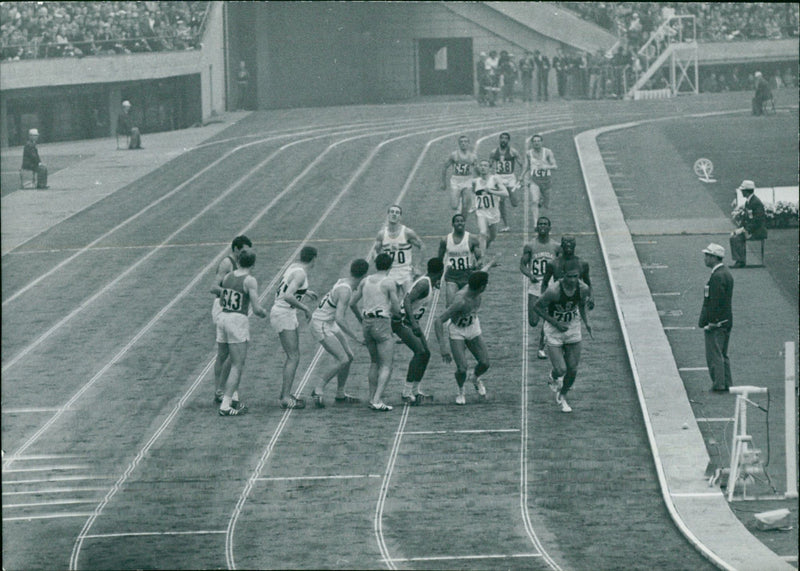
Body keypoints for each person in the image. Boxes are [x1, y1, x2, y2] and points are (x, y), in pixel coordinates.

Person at [533, 260, 592, 413]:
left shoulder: (583, 288)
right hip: (554, 329)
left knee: (572, 369)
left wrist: (587, 323)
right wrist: (555, 323)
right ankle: (553, 376)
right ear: (563, 276)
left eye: (576, 277)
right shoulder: (554, 290)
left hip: (572, 326)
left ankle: (563, 394)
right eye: (570, 277)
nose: (573, 280)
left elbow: (581, 305)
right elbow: (537, 307)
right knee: (560, 369)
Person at [309, 259, 369, 408]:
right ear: (364, 275)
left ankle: (340, 394)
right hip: (321, 324)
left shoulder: (345, 281)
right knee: (342, 359)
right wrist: (356, 337)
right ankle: (318, 389)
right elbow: (340, 318)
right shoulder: (345, 290)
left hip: (328, 322)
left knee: (349, 357)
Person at [214, 249, 267, 416]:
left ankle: (227, 393)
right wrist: (264, 313)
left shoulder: (228, 276)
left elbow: (222, 297)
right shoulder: (250, 280)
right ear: (253, 264)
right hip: (237, 320)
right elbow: (256, 308)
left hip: (223, 317)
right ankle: (226, 404)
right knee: (237, 364)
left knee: (224, 358)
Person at [350, 253, 402, 411]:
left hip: (367, 323)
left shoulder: (365, 281)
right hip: (382, 323)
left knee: (374, 362)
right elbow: (396, 308)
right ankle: (377, 399)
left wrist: (361, 320)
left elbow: (352, 303)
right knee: (387, 365)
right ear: (390, 266)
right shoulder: (388, 282)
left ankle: (372, 397)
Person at [270, 246, 318, 409]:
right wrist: (305, 308)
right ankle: (284, 397)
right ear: (313, 259)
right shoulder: (301, 273)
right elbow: (288, 295)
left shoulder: (294, 267)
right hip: (283, 313)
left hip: (285, 313)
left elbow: (287, 286)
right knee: (293, 356)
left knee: (294, 355)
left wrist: (306, 292)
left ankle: (286, 393)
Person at [433, 270, 492, 405]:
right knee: (462, 368)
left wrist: (491, 264)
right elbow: (438, 321)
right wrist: (443, 346)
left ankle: (475, 378)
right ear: (481, 287)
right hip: (458, 330)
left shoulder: (474, 289)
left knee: (485, 363)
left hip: (472, 326)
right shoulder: (460, 301)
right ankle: (460, 390)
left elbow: (481, 271)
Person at [394, 257, 444, 405]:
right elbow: (407, 300)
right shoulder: (424, 284)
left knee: (426, 354)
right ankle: (406, 392)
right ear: (440, 272)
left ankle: (415, 390)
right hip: (402, 321)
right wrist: (414, 323)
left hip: (410, 321)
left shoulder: (428, 281)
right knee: (420, 352)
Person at [211, 235, 252, 404]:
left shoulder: (242, 266)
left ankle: (225, 389)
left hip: (232, 310)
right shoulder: (227, 263)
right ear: (235, 249)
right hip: (223, 308)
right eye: (243, 251)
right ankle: (221, 390)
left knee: (229, 353)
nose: (246, 254)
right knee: (226, 353)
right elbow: (213, 287)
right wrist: (233, 295)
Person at [520, 217, 561, 359]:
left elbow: (561, 265)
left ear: (550, 227)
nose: (542, 226)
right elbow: (522, 265)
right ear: (537, 228)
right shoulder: (530, 246)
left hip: (550, 287)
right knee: (533, 321)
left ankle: (541, 347)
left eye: (545, 224)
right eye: (540, 224)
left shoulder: (556, 247)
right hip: (535, 287)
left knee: (548, 318)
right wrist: (530, 275)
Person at [698, 243, 734, 393]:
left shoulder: (717, 276)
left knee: (714, 354)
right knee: (722, 353)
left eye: (707, 255)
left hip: (717, 323)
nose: (705, 258)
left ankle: (719, 384)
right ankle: (726, 382)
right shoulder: (725, 273)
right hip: (726, 320)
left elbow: (715, 302)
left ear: (714, 257)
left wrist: (711, 323)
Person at [371, 204, 425, 297]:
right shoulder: (382, 234)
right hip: (390, 272)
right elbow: (375, 251)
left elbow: (422, 246)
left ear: (400, 216)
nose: (394, 214)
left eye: (397, 213)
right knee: (391, 302)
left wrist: (418, 266)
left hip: (405, 271)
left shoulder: (407, 232)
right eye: (392, 212)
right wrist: (379, 263)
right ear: (388, 215)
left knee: (409, 299)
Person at [438, 213, 483, 307]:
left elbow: (479, 258)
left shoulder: (472, 239)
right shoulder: (445, 240)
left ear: (464, 223)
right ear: (453, 224)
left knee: (469, 304)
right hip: (452, 275)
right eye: (457, 221)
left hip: (467, 274)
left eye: (462, 221)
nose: (460, 223)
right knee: (450, 305)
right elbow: (439, 259)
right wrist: (438, 277)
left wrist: (478, 265)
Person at [541, 235, 594, 310]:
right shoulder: (553, 264)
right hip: (557, 302)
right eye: (566, 242)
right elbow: (544, 283)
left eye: (571, 242)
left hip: (575, 302)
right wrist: (544, 299)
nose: (568, 244)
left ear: (574, 245)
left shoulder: (582, 264)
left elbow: (588, 283)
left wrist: (591, 297)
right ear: (562, 245)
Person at [471, 158, 509, 252]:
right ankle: (482, 258)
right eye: (481, 165)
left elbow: (506, 193)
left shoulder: (494, 179)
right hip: (481, 212)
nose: (483, 168)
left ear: (490, 169)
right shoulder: (475, 181)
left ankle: (480, 249)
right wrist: (473, 205)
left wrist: (491, 191)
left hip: (494, 212)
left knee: (492, 236)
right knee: (483, 233)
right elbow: (473, 193)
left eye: (485, 166)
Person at [522, 133, 558, 228]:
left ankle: (541, 201)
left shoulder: (548, 152)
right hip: (534, 180)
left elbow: (555, 166)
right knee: (534, 200)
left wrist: (546, 167)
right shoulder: (529, 153)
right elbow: (527, 166)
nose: (536, 143)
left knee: (547, 205)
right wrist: (521, 176)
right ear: (532, 143)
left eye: (538, 141)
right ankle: (535, 223)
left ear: (542, 142)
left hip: (546, 181)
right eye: (534, 141)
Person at [488, 133, 522, 232]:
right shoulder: (494, 152)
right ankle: (506, 225)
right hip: (499, 178)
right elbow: (489, 165)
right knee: (500, 202)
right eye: (502, 138)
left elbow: (522, 164)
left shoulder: (513, 152)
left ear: (508, 141)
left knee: (514, 203)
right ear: (499, 140)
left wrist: (523, 177)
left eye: (505, 139)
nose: (503, 140)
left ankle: (514, 194)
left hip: (510, 178)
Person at [729, 180, 767, 268]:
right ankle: (739, 260)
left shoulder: (756, 202)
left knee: (737, 238)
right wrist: (739, 228)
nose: (741, 192)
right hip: (751, 229)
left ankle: (740, 261)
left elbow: (757, 221)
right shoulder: (749, 202)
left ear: (746, 191)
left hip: (757, 231)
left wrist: (745, 230)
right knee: (734, 236)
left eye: (743, 190)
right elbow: (746, 218)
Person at [441, 135, 478, 215]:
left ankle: (463, 223)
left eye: (465, 142)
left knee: (466, 206)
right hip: (456, 180)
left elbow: (477, 170)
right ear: (459, 144)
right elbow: (445, 167)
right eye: (461, 142)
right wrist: (443, 182)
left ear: (468, 144)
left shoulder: (473, 157)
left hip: (467, 180)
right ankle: (461, 199)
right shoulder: (454, 155)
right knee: (454, 206)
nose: (463, 143)